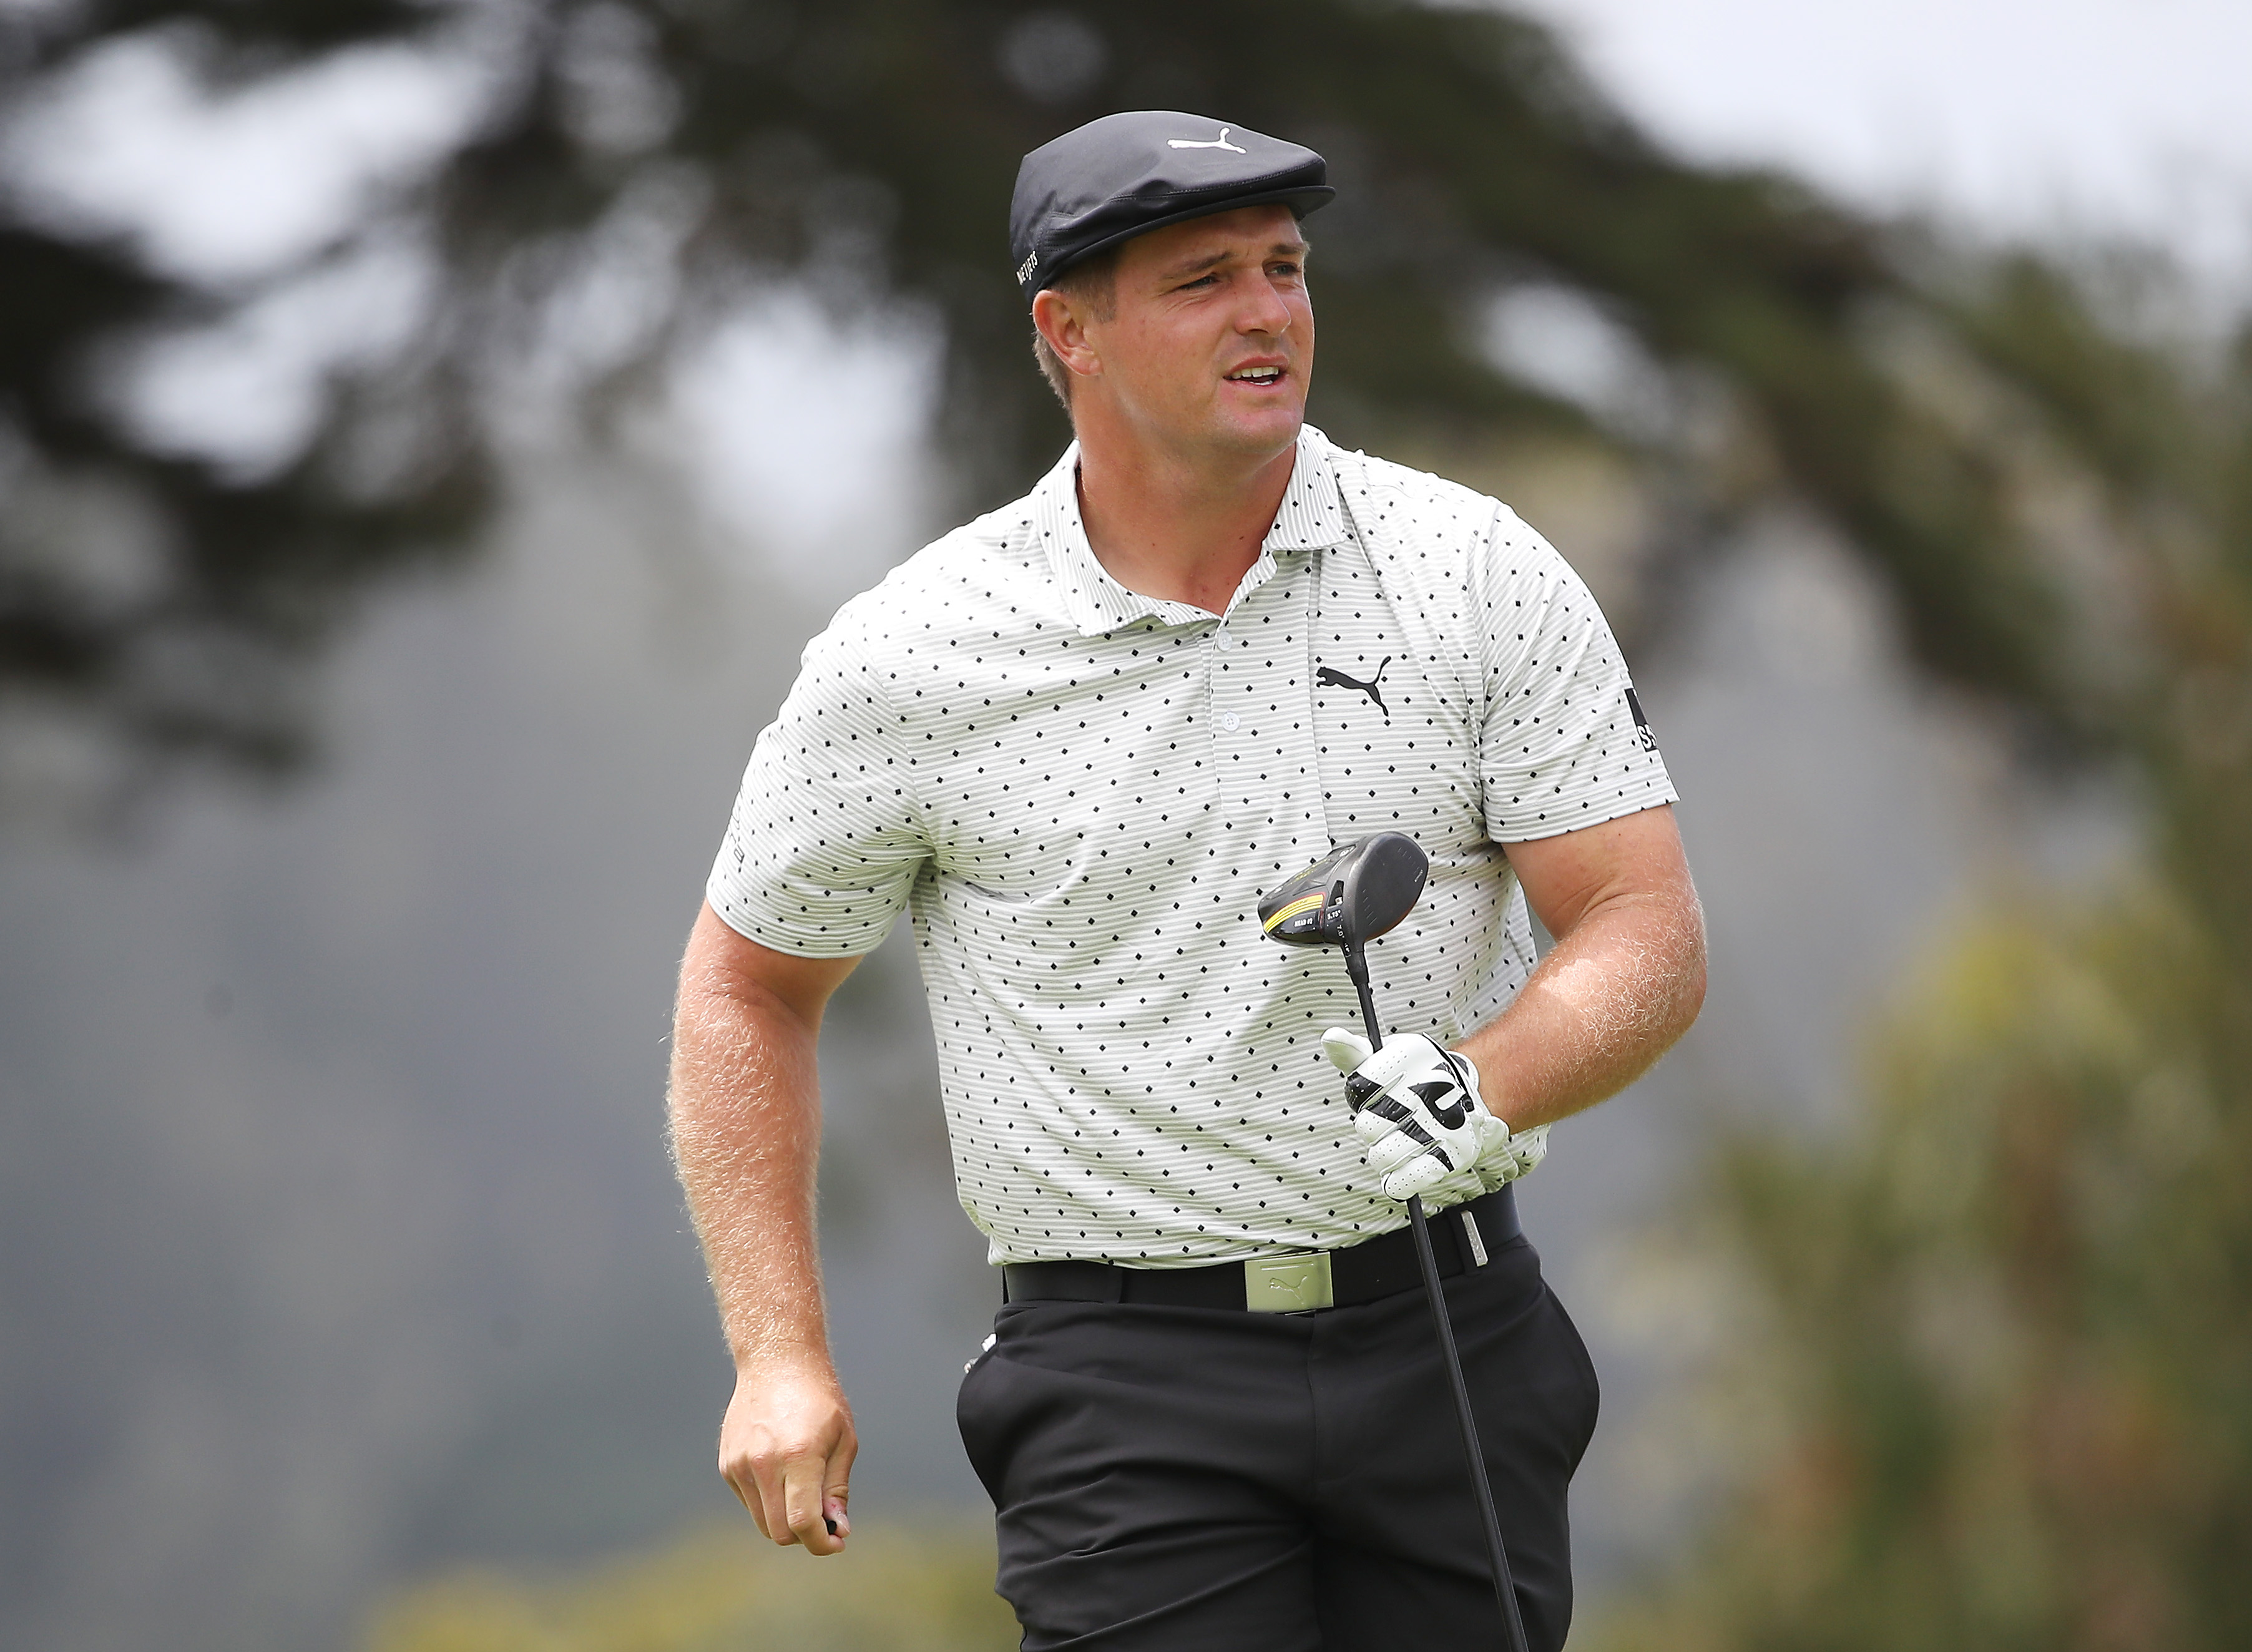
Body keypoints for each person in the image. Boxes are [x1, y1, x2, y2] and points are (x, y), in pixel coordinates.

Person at [667, 110, 1706, 1651]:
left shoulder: (1469, 573)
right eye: (1203, 278)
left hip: (1450, 1337)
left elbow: (1641, 926)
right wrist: (776, 1351)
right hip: (1124, 1381)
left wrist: (1484, 1079)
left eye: (1283, 268)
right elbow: (747, 987)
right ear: (1065, 330)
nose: (1267, 311)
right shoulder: (915, 652)